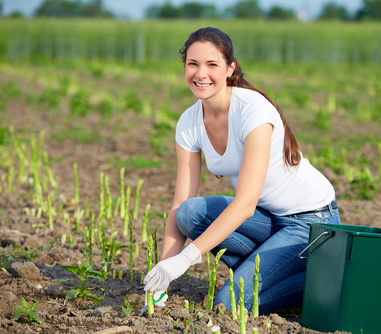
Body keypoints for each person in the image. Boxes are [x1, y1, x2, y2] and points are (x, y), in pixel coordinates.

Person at [143, 27, 340, 315]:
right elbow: (178, 206)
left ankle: (319, 279)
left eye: (212, 65)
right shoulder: (189, 122)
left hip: (310, 222)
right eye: (193, 64)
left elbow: (245, 203)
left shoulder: (252, 111)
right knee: (190, 212)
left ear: (229, 68)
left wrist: (186, 258)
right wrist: (162, 279)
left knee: (227, 305)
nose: (201, 74)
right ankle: (269, 271)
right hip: (269, 219)